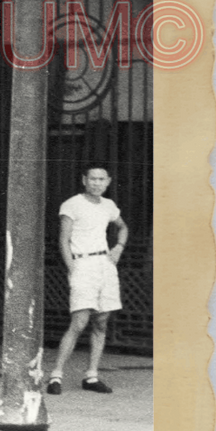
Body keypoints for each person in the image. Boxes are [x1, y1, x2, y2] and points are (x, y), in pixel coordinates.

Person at [48, 165, 130, 395]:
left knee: (101, 321)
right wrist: (72, 268)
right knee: (79, 322)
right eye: (92, 179)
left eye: (101, 179)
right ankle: (56, 375)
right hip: (82, 264)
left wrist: (119, 248)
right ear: (84, 180)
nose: (96, 183)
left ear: (108, 181)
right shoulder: (72, 204)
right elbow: (63, 240)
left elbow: (123, 227)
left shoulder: (109, 206)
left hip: (104, 265)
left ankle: (91, 375)